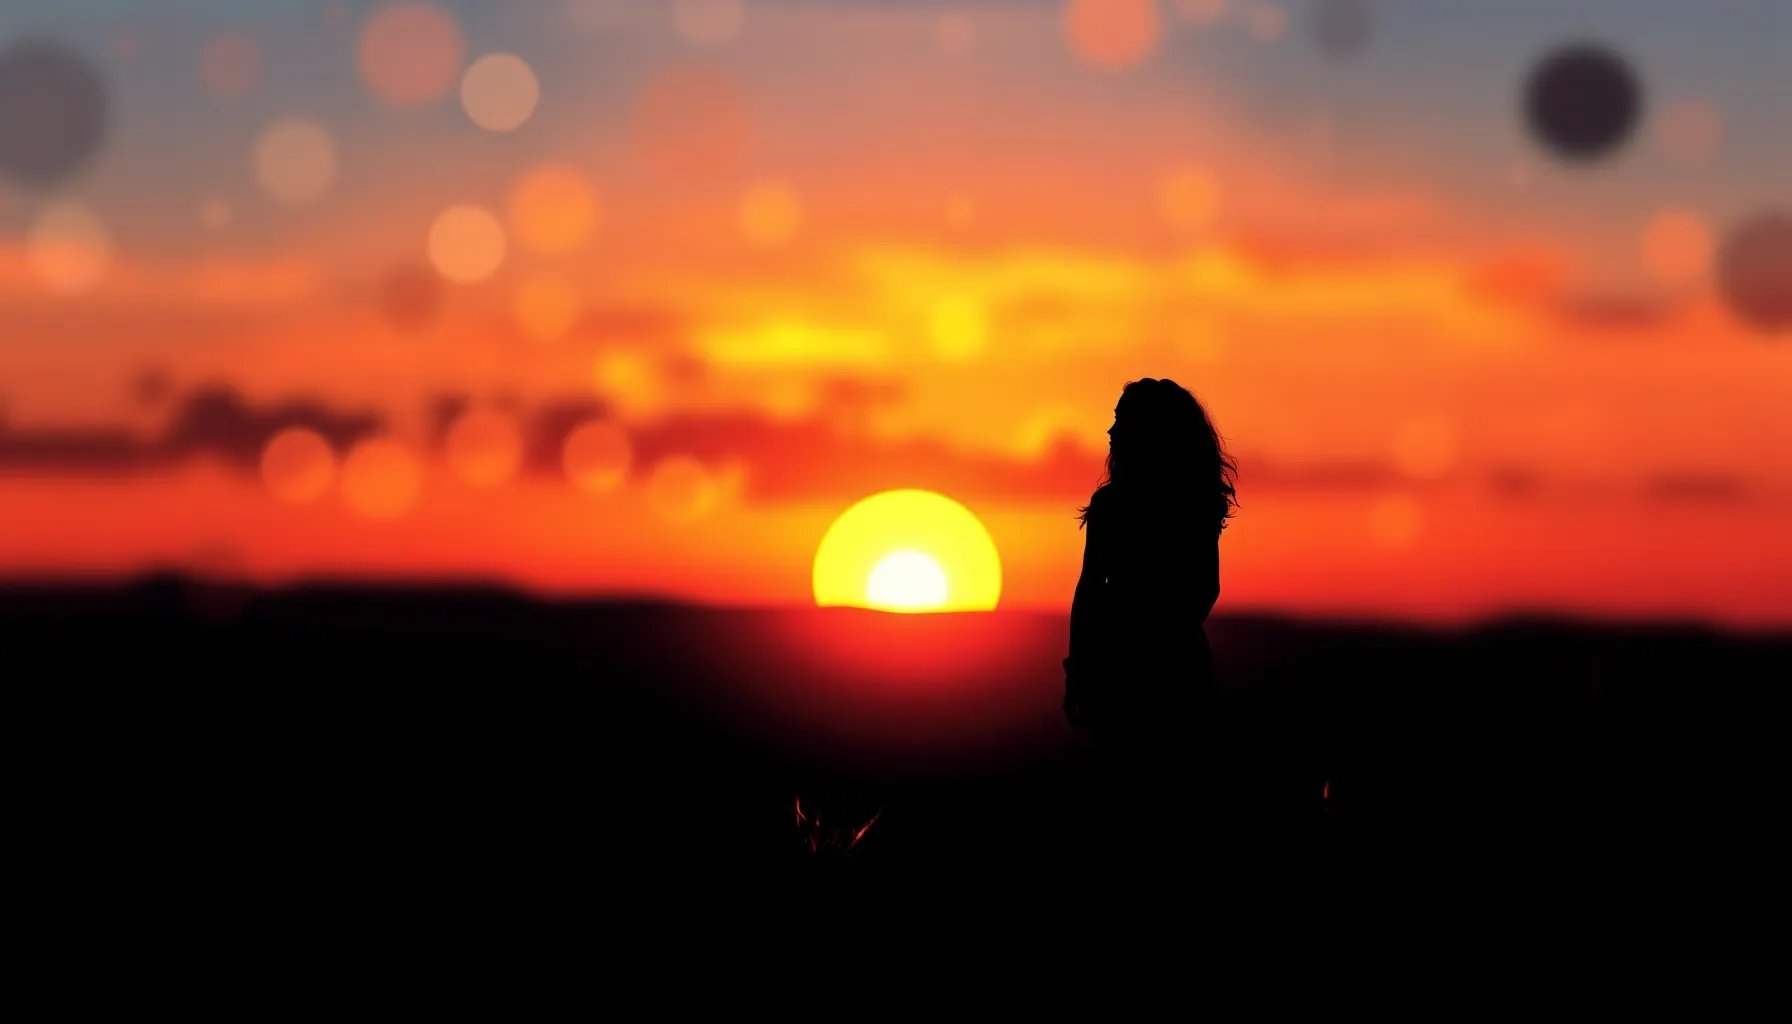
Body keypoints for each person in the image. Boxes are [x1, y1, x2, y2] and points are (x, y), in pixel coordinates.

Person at [1062, 378, 1237, 827]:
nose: (1111, 432)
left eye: (1122, 421)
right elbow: (1088, 589)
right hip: (1123, 674)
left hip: (1170, 677)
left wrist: (1150, 643)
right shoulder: (1109, 505)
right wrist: (1079, 670)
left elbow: (1205, 586)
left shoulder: (1188, 506)